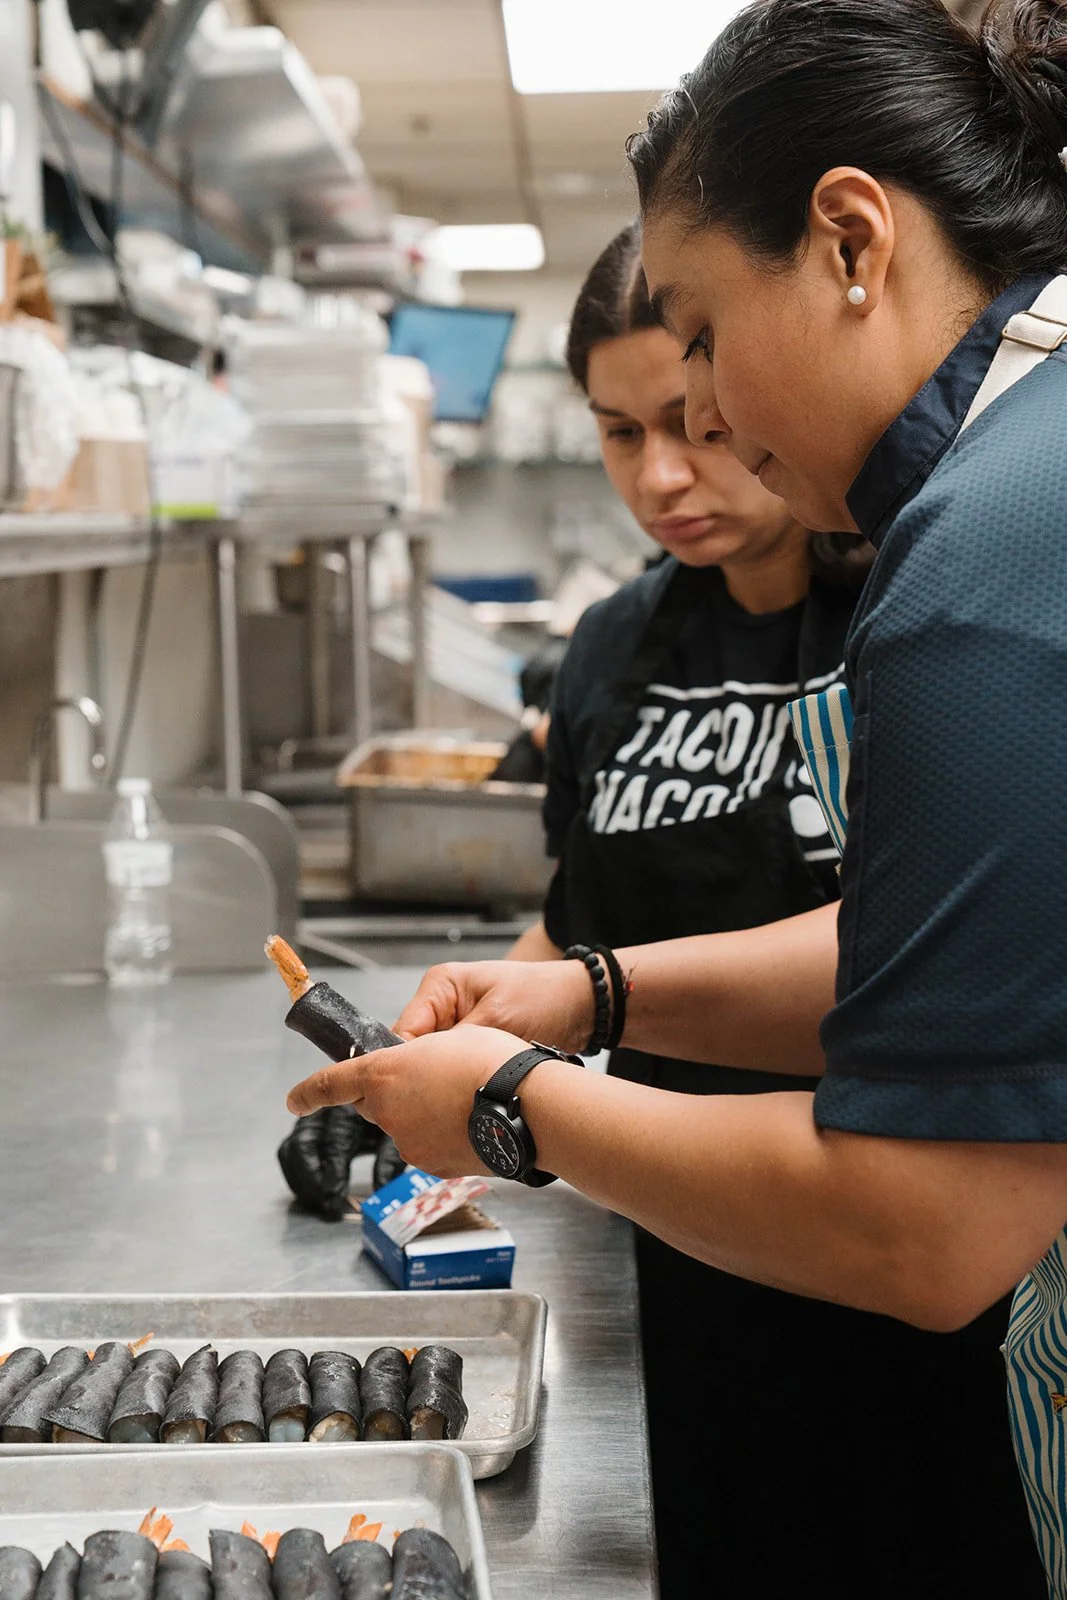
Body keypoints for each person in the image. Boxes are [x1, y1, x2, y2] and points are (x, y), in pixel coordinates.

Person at [287, 1, 1067, 1591]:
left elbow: (929, 1228)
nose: (718, 431)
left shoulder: (980, 555)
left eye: (706, 338)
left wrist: (510, 1108)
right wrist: (593, 990)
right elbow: (952, 965)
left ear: (851, 240)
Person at [503, 223, 1037, 1600]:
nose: (668, 473)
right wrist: (505, 1030)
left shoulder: (927, 598)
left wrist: (531, 1074)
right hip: (685, 1219)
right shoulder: (613, 648)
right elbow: (575, 921)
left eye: (692, 418)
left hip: (903, 1228)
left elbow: (928, 980)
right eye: (620, 436)